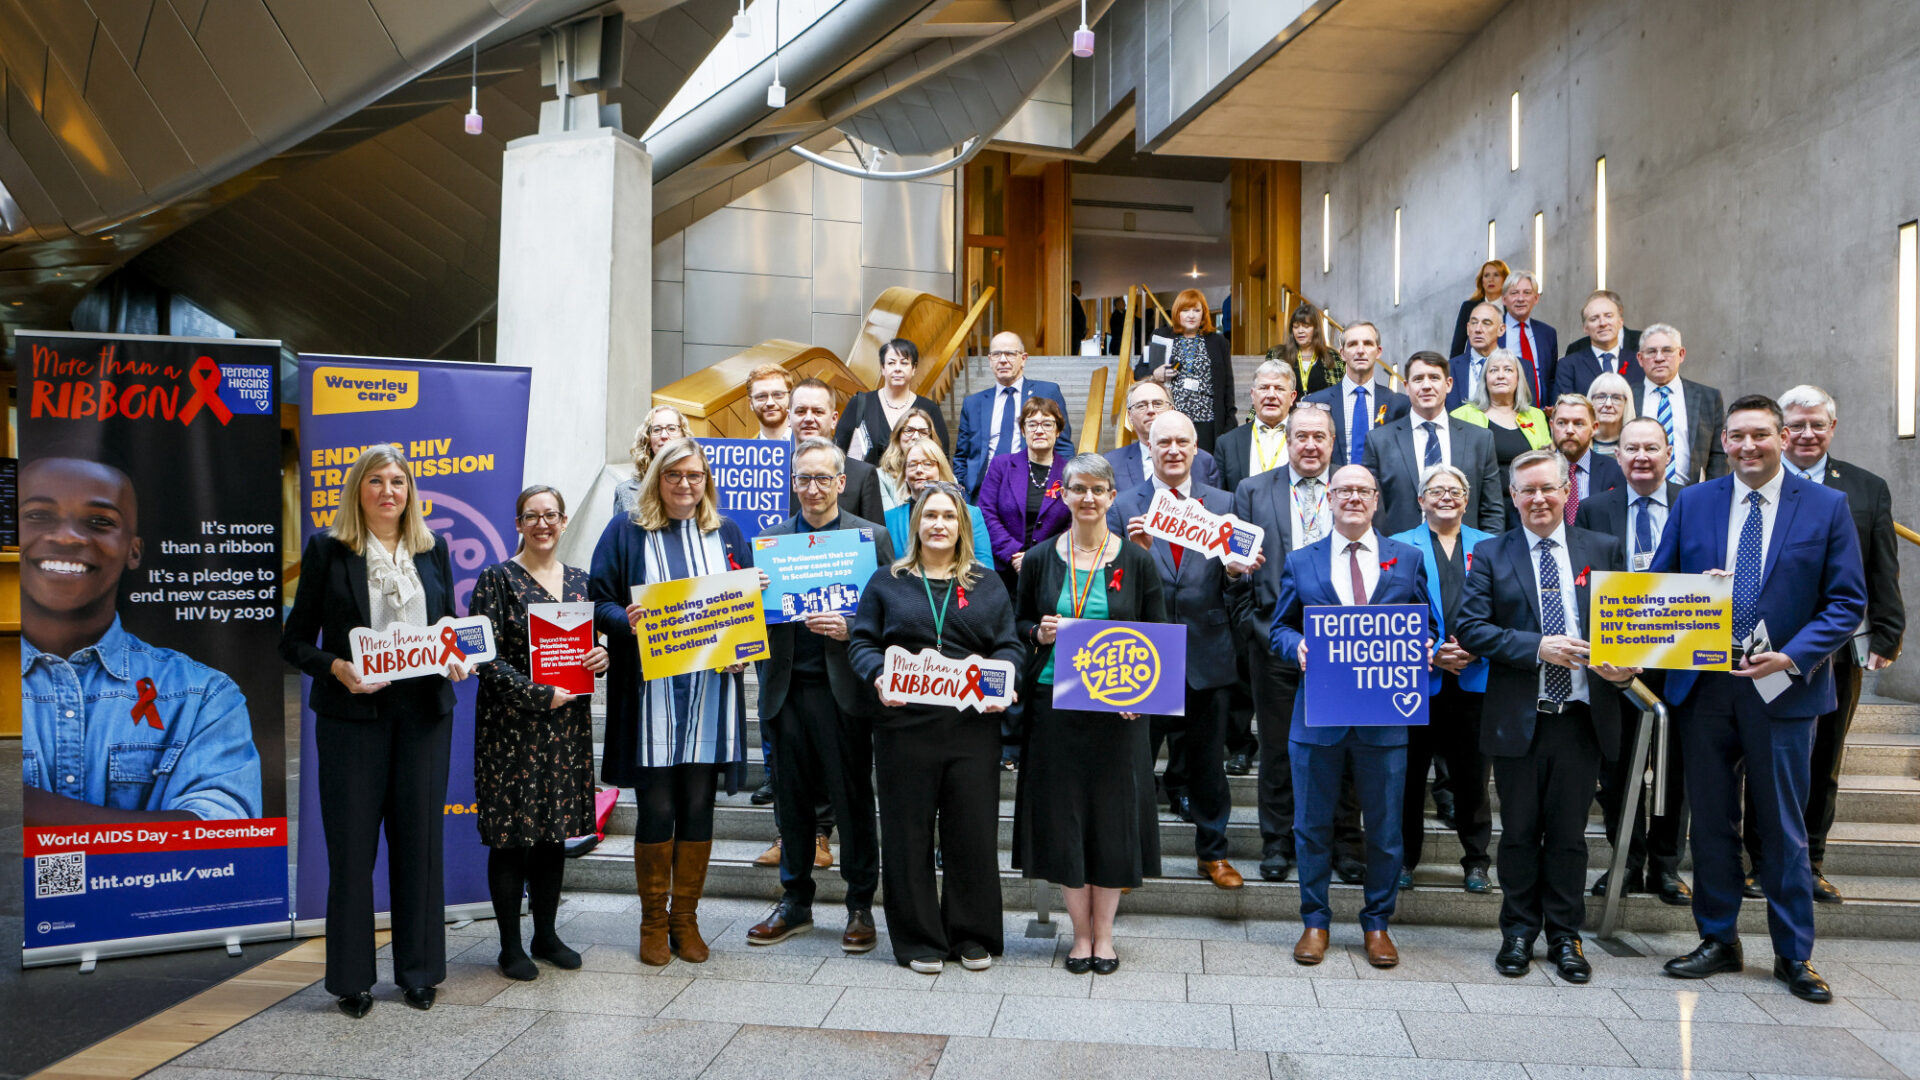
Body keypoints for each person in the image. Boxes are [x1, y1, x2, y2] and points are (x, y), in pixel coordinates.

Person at [1652, 396, 1866, 1003]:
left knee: (1782, 828)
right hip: (1705, 686)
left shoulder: (1826, 506)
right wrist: (1691, 595)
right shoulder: (1693, 502)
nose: (1749, 447)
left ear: (1782, 437)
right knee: (1712, 823)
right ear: (1724, 439)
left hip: (1783, 688)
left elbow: (1847, 601)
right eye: (1738, 436)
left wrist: (1794, 656)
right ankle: (1718, 939)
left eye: (1761, 435)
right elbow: (1662, 584)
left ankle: (1793, 954)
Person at [279, 444, 469, 1018]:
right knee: (353, 852)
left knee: (418, 849)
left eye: (398, 482)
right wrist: (336, 668)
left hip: (424, 720)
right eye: (376, 481)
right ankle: (352, 980)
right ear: (357, 490)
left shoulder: (432, 554)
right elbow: (293, 643)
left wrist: (457, 656)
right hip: (351, 723)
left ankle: (418, 972)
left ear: (410, 493)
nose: (389, 491)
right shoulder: (327, 550)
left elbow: (449, 628)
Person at [1455, 448, 1632, 984]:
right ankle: (1517, 930)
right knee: (1518, 833)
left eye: (1547, 488)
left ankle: (1565, 934)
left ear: (1565, 493)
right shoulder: (1490, 552)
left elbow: (1629, 624)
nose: (1538, 498)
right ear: (1512, 497)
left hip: (1581, 717)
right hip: (1519, 717)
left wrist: (1625, 668)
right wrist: (1537, 647)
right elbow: (1471, 628)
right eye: (1526, 490)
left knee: (1570, 835)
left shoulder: (1602, 549)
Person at [590, 438, 760, 968]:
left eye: (694, 475)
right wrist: (628, 622)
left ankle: (686, 920)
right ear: (655, 479)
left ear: (706, 479)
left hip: (711, 694)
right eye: (674, 476)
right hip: (651, 695)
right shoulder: (625, 531)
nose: (685, 485)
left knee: (698, 806)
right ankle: (652, 922)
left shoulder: (727, 532)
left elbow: (743, 609)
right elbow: (599, 601)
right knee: (657, 807)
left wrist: (742, 653)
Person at [22, 455, 263, 825]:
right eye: (38, 515)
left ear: (134, 550)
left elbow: (221, 836)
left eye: (99, 521)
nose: (67, 536)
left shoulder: (202, 695)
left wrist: (30, 809)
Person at [848, 482, 1021, 973]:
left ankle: (971, 934)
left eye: (949, 516)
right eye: (930, 516)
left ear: (962, 526)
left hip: (972, 728)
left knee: (972, 832)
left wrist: (1006, 684)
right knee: (907, 834)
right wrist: (879, 675)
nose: (939, 524)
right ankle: (919, 938)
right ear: (916, 525)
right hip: (904, 725)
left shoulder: (986, 583)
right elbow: (862, 644)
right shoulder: (888, 581)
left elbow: (1009, 647)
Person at [1740, 386, 1903, 905]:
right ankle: (1758, 860)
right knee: (1756, 759)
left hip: (1835, 649)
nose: (1808, 434)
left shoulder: (1863, 488)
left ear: (1832, 429)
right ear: (1782, 432)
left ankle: (1810, 860)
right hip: (1759, 648)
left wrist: (1888, 629)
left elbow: (1882, 564)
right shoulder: (1752, 485)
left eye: (1818, 425)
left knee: (1825, 755)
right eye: (1798, 425)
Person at [1012, 453, 1166, 975]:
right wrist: (1039, 633)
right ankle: (1079, 936)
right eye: (1078, 489)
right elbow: (1017, 627)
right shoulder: (1037, 559)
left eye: (1099, 490)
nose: (1088, 499)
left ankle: (1106, 934)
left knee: (1112, 822)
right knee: (1066, 819)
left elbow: (1159, 637)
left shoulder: (1138, 561)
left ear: (1112, 496)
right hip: (1056, 708)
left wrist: (1143, 697)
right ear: (1064, 494)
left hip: (1119, 714)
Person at [1271, 464, 1430, 968]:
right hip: (1318, 714)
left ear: (1377, 500)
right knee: (1311, 825)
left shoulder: (1408, 558)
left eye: (1363, 490)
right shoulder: (1302, 560)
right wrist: (1296, 646)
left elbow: (1427, 621)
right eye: (1344, 491)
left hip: (1385, 716)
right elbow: (1278, 629)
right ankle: (1315, 922)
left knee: (1384, 829)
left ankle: (1378, 923)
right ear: (1329, 500)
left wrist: (1424, 644)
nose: (1354, 498)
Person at [745, 438, 893, 953]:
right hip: (785, 691)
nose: (813, 489)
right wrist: (748, 603)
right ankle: (795, 902)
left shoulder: (869, 538)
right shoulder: (768, 543)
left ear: (841, 482)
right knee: (791, 802)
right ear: (793, 483)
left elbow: (892, 617)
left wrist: (851, 628)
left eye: (822, 479)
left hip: (844, 693)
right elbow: (747, 624)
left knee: (852, 801)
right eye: (803, 479)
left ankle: (859, 906)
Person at [469, 485, 609, 980]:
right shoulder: (496, 579)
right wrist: (536, 694)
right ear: (518, 524)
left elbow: (589, 650)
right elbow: (482, 656)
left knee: (552, 836)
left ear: (565, 521)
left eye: (551, 515)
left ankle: (546, 935)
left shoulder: (580, 583)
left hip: (566, 730)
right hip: (511, 732)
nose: (543, 524)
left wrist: (601, 658)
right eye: (532, 516)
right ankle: (510, 946)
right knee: (511, 839)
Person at [1110, 410, 1250, 890]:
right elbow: (1108, 586)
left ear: (1196, 450)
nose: (1172, 449)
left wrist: (1235, 573)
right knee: (1133, 766)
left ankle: (1213, 854)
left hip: (1206, 655)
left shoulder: (1225, 504)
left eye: (1181, 442)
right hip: (1141, 658)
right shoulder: (1124, 505)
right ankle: (1127, 859)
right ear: (1147, 445)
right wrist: (1140, 553)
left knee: (1209, 767)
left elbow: (1237, 593)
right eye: (1162, 441)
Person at [1229, 405, 1367, 883]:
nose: (1310, 445)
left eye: (1319, 437)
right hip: (1275, 643)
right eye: (1301, 436)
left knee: (1346, 748)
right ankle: (1278, 842)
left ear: (1333, 443)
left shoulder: (1354, 489)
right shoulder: (1251, 491)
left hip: (1346, 646)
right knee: (1278, 749)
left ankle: (1346, 844)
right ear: (1287, 441)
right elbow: (1239, 574)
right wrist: (1259, 632)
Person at [1574, 417, 1690, 906]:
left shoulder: (1694, 503)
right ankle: (1627, 860)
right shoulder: (1594, 509)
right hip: (1615, 663)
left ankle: (1666, 867)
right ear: (1616, 456)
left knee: (1674, 766)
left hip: (1679, 657)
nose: (1641, 457)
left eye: (1652, 448)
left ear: (1669, 454)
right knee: (1618, 768)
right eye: (1631, 448)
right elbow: (1581, 576)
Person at [1391, 464, 1495, 894]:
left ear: (1467, 500)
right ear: (1421, 500)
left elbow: (1505, 607)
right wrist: (1430, 652)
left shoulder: (1491, 546)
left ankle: (1476, 862)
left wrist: (1476, 648)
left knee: (1472, 778)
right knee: (1409, 777)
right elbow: (1389, 610)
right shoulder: (1397, 546)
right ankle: (1404, 860)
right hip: (1417, 682)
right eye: (1436, 490)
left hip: (1475, 678)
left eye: (1455, 490)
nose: (1446, 496)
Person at [1363, 351, 1504, 536]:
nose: (1426, 386)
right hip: (1400, 555)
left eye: (1435, 378)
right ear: (1406, 387)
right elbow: (1370, 509)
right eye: (1418, 379)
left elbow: (1492, 511)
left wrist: (1485, 557)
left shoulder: (1480, 439)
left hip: (1465, 555)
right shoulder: (1379, 441)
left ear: (1449, 384)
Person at [954, 331, 1072, 496]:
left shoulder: (1047, 392)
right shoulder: (973, 403)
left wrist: (1057, 489)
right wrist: (964, 488)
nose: (1003, 360)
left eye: (1010, 353)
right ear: (989, 360)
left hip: (1031, 489)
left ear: (1023, 358)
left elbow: (1063, 446)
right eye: (996, 354)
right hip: (981, 492)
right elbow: (961, 455)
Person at [978, 396, 1073, 595]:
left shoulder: (1070, 473)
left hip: (1051, 572)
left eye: (1047, 424)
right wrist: (1014, 555)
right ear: (1023, 430)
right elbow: (986, 512)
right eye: (1032, 424)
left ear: (1058, 430)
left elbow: (1073, 523)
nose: (1039, 430)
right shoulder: (1001, 466)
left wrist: (1038, 557)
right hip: (1003, 572)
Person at [1302, 321, 1409, 467]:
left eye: (1367, 343)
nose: (1360, 350)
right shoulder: (1316, 403)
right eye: (1352, 344)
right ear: (1342, 353)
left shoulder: (1399, 405)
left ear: (1378, 352)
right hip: (1332, 486)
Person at [1141, 288, 1236, 453]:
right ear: (1177, 313)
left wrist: (1230, 419)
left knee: (1204, 468)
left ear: (1203, 314)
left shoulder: (1218, 342)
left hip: (1208, 419)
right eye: (1185, 310)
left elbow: (1227, 383)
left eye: (1196, 310)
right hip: (1171, 418)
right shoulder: (1162, 336)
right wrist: (1155, 374)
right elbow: (1139, 371)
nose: (1191, 315)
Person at [881, 438, 992, 570]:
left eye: (927, 464)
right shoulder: (888, 519)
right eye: (912, 465)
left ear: (941, 469)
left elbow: (985, 570)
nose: (919, 470)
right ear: (904, 474)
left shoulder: (971, 514)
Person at [1637, 323, 1727, 484]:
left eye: (1667, 350)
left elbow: (1718, 454)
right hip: (1638, 495)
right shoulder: (1627, 396)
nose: (1659, 358)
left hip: (1692, 496)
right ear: (1640, 359)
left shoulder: (1708, 398)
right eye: (1651, 352)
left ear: (1681, 354)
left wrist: (1714, 494)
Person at [836, 338, 949, 465]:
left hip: (914, 482)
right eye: (891, 363)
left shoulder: (929, 409)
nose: (897, 369)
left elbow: (942, 456)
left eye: (904, 363)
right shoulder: (861, 403)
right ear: (883, 368)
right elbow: (839, 450)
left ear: (914, 368)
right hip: (870, 484)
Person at [790, 377, 884, 522]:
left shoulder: (862, 475)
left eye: (818, 412)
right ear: (789, 417)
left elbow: (875, 539)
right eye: (801, 411)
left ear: (834, 419)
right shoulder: (775, 473)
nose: (808, 418)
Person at [1104, 380, 1224, 491]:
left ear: (1171, 409)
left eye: (1158, 404)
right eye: (1141, 405)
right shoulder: (1112, 463)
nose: (1150, 410)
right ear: (1130, 415)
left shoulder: (1203, 462)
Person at [1453, 349, 1551, 484]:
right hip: (1481, 499)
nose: (1501, 376)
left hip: (1528, 498)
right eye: (1493, 370)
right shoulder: (1462, 416)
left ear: (1518, 378)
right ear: (1485, 379)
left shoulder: (1536, 416)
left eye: (1508, 370)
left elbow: (1547, 460)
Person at [1214, 359, 1298, 492]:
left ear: (1292, 397)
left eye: (1279, 388)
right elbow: (1220, 499)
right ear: (1253, 395)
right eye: (1264, 388)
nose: (1271, 395)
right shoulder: (1227, 444)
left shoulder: (1306, 440)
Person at [1549, 395, 1628, 525]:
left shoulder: (1615, 471)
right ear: (1552, 426)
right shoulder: (1538, 471)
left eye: (1578, 423)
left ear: (1594, 428)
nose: (1569, 430)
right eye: (1561, 423)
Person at [1553, 290, 1643, 401]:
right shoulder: (1568, 366)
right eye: (1594, 319)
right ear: (1585, 328)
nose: (1603, 323)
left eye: (1608, 316)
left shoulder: (1640, 363)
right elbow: (1565, 409)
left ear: (1620, 322)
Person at [614, 406, 689, 515]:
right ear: (648, 439)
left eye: (671, 428)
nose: (664, 435)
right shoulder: (625, 492)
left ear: (684, 436)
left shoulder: (697, 486)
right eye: (657, 429)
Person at [1498, 271, 1557, 406]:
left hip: (1540, 412)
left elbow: (1551, 378)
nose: (1520, 298)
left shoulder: (1548, 333)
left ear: (1536, 298)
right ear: (1504, 299)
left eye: (1527, 293)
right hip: (1503, 410)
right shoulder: (1493, 330)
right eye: (1514, 293)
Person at [875, 407, 940, 511]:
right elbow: (890, 520)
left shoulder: (945, 475)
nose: (915, 436)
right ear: (898, 436)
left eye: (923, 432)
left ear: (931, 438)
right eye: (909, 430)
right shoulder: (881, 477)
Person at [1445, 302, 1504, 412]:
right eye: (1474, 323)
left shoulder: (1520, 368)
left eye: (1486, 323)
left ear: (1501, 330)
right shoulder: (1448, 369)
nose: (1478, 329)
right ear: (1468, 329)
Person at [1275, 303, 1343, 396]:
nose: (1300, 331)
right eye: (1296, 326)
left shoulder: (1332, 357)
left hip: (1322, 410)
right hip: (1289, 410)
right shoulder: (1279, 355)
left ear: (1316, 329)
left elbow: (1339, 394)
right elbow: (1265, 387)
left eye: (1306, 326)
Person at [1449, 259, 1508, 358]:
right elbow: (1458, 345)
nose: (1491, 279)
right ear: (1482, 281)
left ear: (1505, 280)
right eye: (1486, 275)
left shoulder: (1511, 308)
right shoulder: (1469, 307)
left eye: (1496, 275)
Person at [1587, 372, 1637, 456]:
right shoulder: (1579, 445)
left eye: (1616, 398)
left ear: (1626, 404)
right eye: (1601, 397)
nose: (1608, 404)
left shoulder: (1638, 446)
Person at [746, 363, 794, 441]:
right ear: (751, 403)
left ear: (790, 398)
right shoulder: (746, 452)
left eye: (778, 394)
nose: (770, 403)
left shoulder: (812, 447)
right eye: (761, 396)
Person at [1070, 279, 1089, 349]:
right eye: (1080, 288)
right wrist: (1081, 333)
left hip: (1076, 336)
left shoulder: (1075, 300)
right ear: (1076, 287)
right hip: (1074, 337)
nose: (1081, 290)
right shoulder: (1073, 300)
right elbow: (1076, 319)